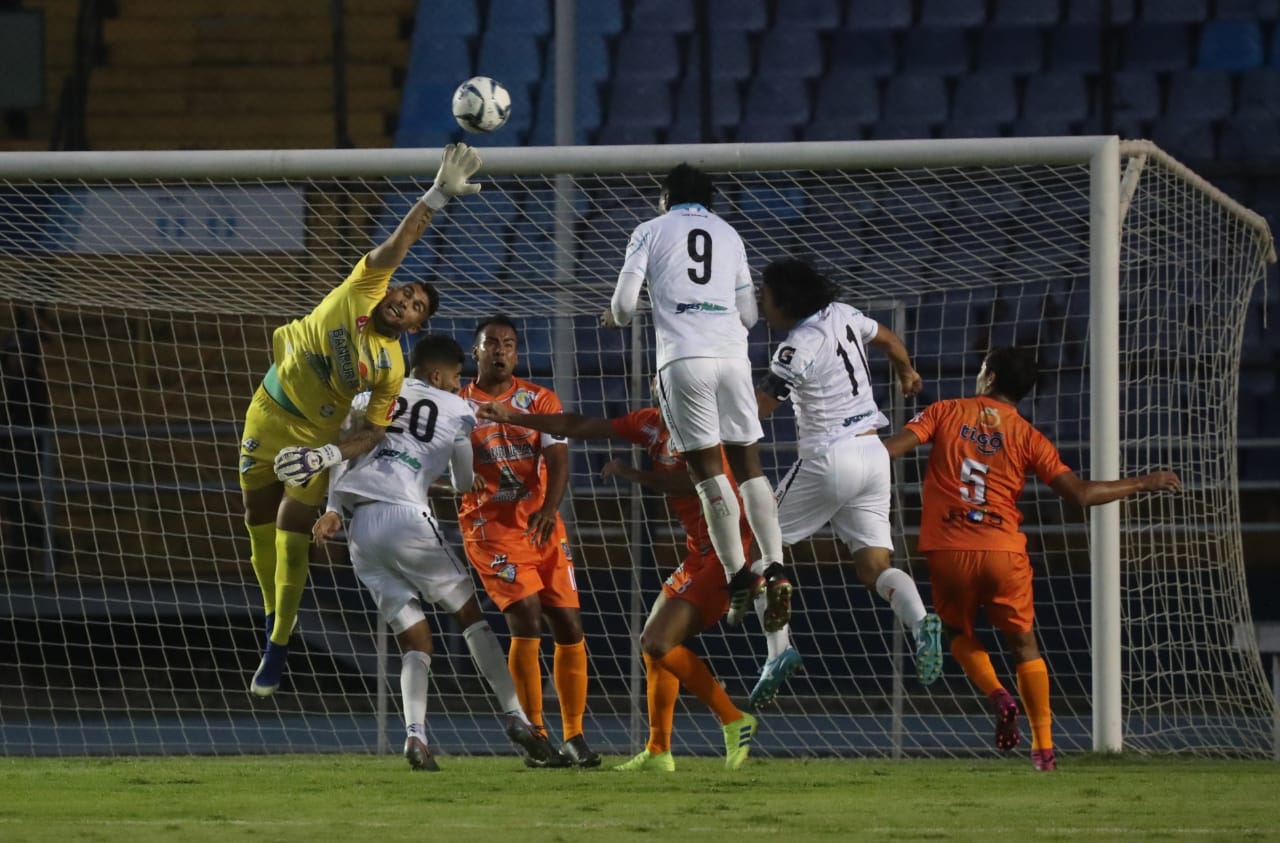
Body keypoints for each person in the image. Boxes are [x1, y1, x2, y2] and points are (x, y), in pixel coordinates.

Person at [238, 143, 483, 697]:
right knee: (254, 519)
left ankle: (278, 641)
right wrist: (436, 195)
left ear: (417, 327)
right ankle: (276, 620)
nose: (407, 300)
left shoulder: (391, 368)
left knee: (289, 528)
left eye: (418, 305)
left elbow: (373, 431)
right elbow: (401, 242)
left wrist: (329, 454)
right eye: (408, 291)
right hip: (268, 408)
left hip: (314, 434)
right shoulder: (363, 289)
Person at [882, 346, 1182, 772]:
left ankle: (998, 696)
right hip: (1004, 552)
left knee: (954, 630)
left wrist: (849, 454)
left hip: (949, 548)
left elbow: (892, 449)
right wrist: (1144, 481)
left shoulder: (945, 411)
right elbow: (1078, 494)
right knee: (1024, 643)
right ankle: (1043, 749)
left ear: (989, 377)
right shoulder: (1028, 436)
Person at [311, 334, 557, 771]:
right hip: (407, 517)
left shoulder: (372, 398)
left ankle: (415, 737)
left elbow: (342, 454)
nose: (458, 383)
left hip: (360, 530)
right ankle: (517, 716)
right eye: (456, 377)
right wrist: (454, 480)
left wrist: (331, 510)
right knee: (469, 617)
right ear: (438, 375)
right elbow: (464, 481)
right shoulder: (459, 409)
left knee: (414, 639)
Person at [476, 396, 762, 771]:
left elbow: (695, 481)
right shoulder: (649, 422)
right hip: (698, 553)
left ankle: (733, 718)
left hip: (729, 554)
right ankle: (659, 750)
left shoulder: (704, 425)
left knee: (658, 641)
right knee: (652, 646)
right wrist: (515, 416)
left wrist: (635, 475)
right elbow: (581, 425)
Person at [604, 163, 790, 634]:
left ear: (665, 198)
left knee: (708, 473)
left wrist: (619, 315)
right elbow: (749, 314)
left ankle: (735, 575)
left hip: (683, 360)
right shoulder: (730, 235)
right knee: (749, 465)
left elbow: (625, 308)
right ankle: (774, 563)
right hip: (732, 358)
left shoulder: (649, 230)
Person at [754, 258, 943, 705]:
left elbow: (761, 409)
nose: (761, 302)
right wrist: (906, 372)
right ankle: (919, 622)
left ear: (785, 300)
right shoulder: (843, 314)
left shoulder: (797, 345)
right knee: (873, 566)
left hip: (829, 457)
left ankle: (778, 652)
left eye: (764, 294)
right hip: (873, 455)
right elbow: (890, 340)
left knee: (755, 546)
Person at [457, 315, 598, 768]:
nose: (500, 350)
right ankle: (536, 735)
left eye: (509, 344)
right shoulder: (458, 406)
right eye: (491, 343)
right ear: (475, 351)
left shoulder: (539, 400)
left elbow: (558, 458)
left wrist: (549, 509)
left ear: (517, 353)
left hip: (541, 525)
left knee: (569, 626)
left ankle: (574, 735)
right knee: (527, 618)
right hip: (491, 530)